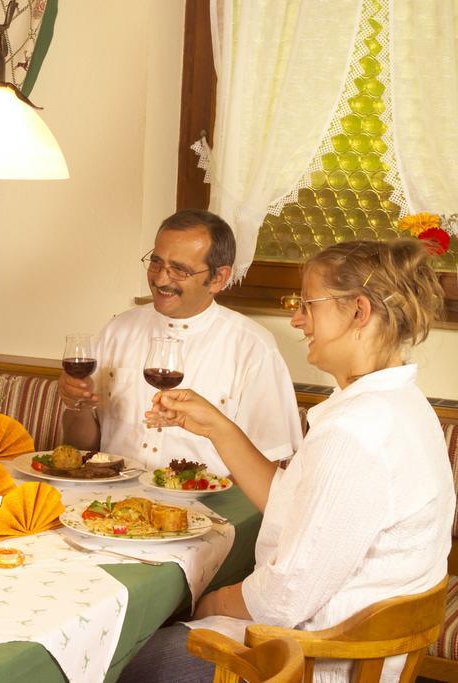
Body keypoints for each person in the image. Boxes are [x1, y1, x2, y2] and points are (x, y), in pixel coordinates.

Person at [119, 239, 454, 683]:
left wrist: (207, 603)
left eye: (308, 305)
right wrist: (217, 425)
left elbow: (282, 598)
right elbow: (292, 509)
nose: (296, 319)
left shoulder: (354, 433)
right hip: (349, 649)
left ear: (358, 312)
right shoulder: (399, 404)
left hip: (313, 663)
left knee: (124, 654)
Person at [60, 209, 301, 476]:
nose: (161, 279)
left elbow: (263, 470)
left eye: (179, 270)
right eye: (156, 262)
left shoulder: (253, 348)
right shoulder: (117, 330)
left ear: (218, 278)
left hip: (206, 509)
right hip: (109, 503)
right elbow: (81, 446)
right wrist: (75, 404)